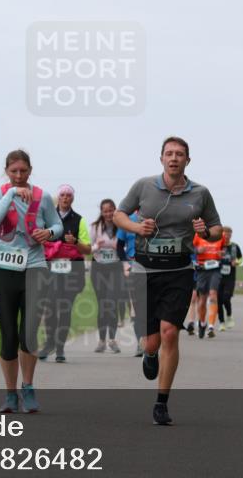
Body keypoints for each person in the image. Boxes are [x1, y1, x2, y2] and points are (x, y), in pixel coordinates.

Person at [115, 136, 222, 425]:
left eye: (180, 154)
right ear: (161, 158)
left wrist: (205, 230)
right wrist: (137, 227)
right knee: (151, 342)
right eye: (169, 154)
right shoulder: (143, 186)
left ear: (188, 160)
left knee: (170, 333)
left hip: (179, 270)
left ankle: (161, 402)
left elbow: (216, 230)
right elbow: (118, 215)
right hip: (144, 269)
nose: (174, 158)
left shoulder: (200, 193)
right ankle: (150, 355)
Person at [0, 150, 63, 413]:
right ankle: (10, 394)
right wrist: (10, 194)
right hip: (5, 271)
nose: (19, 176)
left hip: (35, 269)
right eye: (14, 171)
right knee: (8, 336)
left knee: (27, 334)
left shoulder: (43, 197)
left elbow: (58, 225)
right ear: (7, 171)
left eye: (23, 171)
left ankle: (28, 388)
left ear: (30, 170)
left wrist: (49, 232)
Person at [39, 184, 91, 362]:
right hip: (50, 270)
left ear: (73, 198)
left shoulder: (80, 220)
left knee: (65, 309)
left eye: (69, 195)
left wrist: (75, 242)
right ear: (58, 197)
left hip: (72, 272)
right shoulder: (47, 217)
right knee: (50, 309)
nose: (65, 198)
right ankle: (49, 343)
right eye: (62, 195)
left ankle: (60, 347)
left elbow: (87, 249)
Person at [90, 199, 125, 354]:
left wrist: (116, 246)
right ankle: (101, 340)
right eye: (105, 211)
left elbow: (125, 246)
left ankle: (112, 339)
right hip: (99, 267)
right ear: (101, 212)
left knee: (112, 302)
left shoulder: (122, 226)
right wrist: (97, 246)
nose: (109, 214)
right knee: (103, 304)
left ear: (115, 210)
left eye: (111, 210)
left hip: (115, 267)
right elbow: (88, 248)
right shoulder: (94, 227)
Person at [116, 210, 144, 357]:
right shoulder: (127, 220)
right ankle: (140, 343)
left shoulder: (156, 217)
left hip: (154, 269)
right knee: (137, 308)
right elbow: (119, 247)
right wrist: (125, 264)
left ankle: (153, 341)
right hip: (134, 267)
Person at [193, 230, 227, 338]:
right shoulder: (197, 235)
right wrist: (197, 250)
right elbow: (190, 248)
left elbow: (224, 249)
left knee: (213, 294)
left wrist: (222, 253)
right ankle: (202, 323)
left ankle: (211, 326)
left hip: (215, 269)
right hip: (202, 269)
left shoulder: (220, 235)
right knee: (202, 300)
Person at [217, 226, 243, 331]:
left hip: (230, 277)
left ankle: (229, 315)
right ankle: (222, 323)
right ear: (221, 235)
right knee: (218, 301)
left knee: (226, 298)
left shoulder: (235, 246)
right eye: (225, 234)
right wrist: (217, 255)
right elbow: (209, 256)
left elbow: (241, 258)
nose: (227, 236)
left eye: (229, 234)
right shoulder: (217, 245)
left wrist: (237, 262)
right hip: (217, 276)